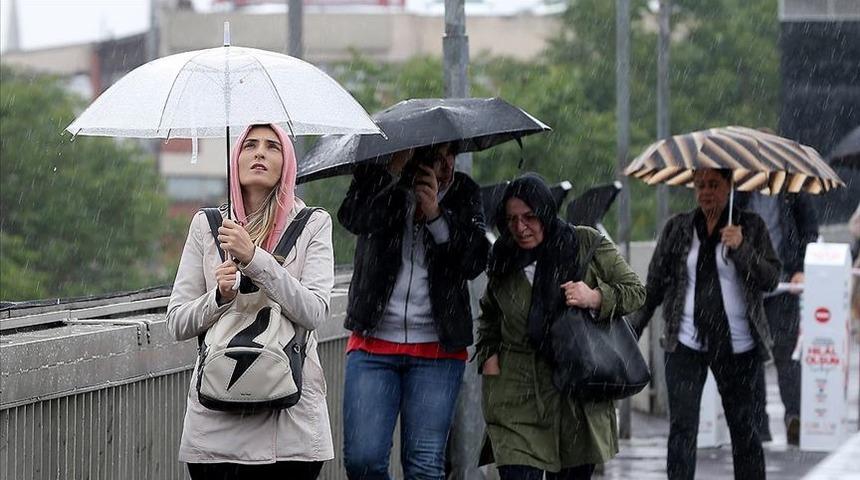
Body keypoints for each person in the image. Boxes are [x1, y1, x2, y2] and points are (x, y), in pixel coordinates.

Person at [167, 124, 335, 480]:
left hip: (289, 424)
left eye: (273, 146)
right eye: (250, 145)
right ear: (236, 158)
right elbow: (177, 322)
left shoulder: (313, 224)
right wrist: (218, 298)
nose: (259, 153)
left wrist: (254, 258)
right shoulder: (208, 226)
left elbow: (314, 311)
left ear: (287, 162)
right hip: (216, 422)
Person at [476, 173, 645, 480]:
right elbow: (489, 313)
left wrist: (594, 296)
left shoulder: (584, 243)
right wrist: (489, 357)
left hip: (575, 387)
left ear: (545, 211)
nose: (520, 227)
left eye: (529, 217)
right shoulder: (503, 257)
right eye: (512, 219)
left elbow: (635, 291)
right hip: (517, 391)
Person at [337, 142, 490, 480]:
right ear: (413, 155)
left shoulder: (464, 192)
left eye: (451, 154)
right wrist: (391, 175)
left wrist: (436, 215)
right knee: (363, 461)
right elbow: (353, 217)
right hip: (373, 343)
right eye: (435, 155)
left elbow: (475, 260)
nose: (445, 163)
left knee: (424, 464)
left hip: (437, 349)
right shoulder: (379, 181)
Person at [631, 168, 781, 480]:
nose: (705, 192)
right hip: (684, 341)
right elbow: (655, 284)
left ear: (730, 186)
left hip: (737, 345)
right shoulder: (678, 228)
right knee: (683, 429)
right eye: (700, 185)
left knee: (744, 431)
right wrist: (633, 328)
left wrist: (742, 248)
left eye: (713, 184)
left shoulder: (750, 225)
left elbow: (770, 279)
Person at [735, 185, 819, 445]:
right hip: (747, 287)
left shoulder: (792, 190)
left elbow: (809, 230)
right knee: (751, 357)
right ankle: (759, 425)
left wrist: (801, 267)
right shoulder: (738, 192)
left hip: (784, 284)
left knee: (787, 353)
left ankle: (794, 417)